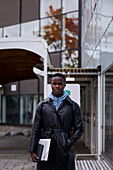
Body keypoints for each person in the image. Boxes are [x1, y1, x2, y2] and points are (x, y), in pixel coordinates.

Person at [29, 73, 84, 170]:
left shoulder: (73, 106)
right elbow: (36, 129)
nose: (57, 86)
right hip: (46, 144)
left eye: (60, 83)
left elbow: (79, 128)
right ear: (51, 84)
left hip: (64, 145)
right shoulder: (42, 105)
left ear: (64, 85)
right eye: (54, 83)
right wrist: (32, 150)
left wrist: (69, 142)